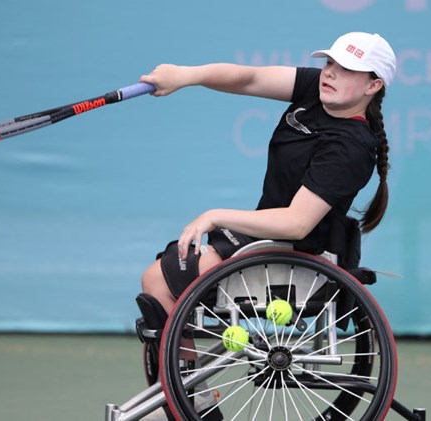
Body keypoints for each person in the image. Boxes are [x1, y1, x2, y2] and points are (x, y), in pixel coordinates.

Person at [134, 31, 396, 420]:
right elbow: (248, 78)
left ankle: (180, 397)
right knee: (157, 281)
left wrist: (215, 214)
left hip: (296, 252)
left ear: (373, 85)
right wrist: (186, 75)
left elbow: (296, 222)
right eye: (330, 63)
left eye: (348, 70)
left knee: (163, 279)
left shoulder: (351, 146)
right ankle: (186, 395)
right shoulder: (317, 89)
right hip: (263, 236)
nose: (331, 73)